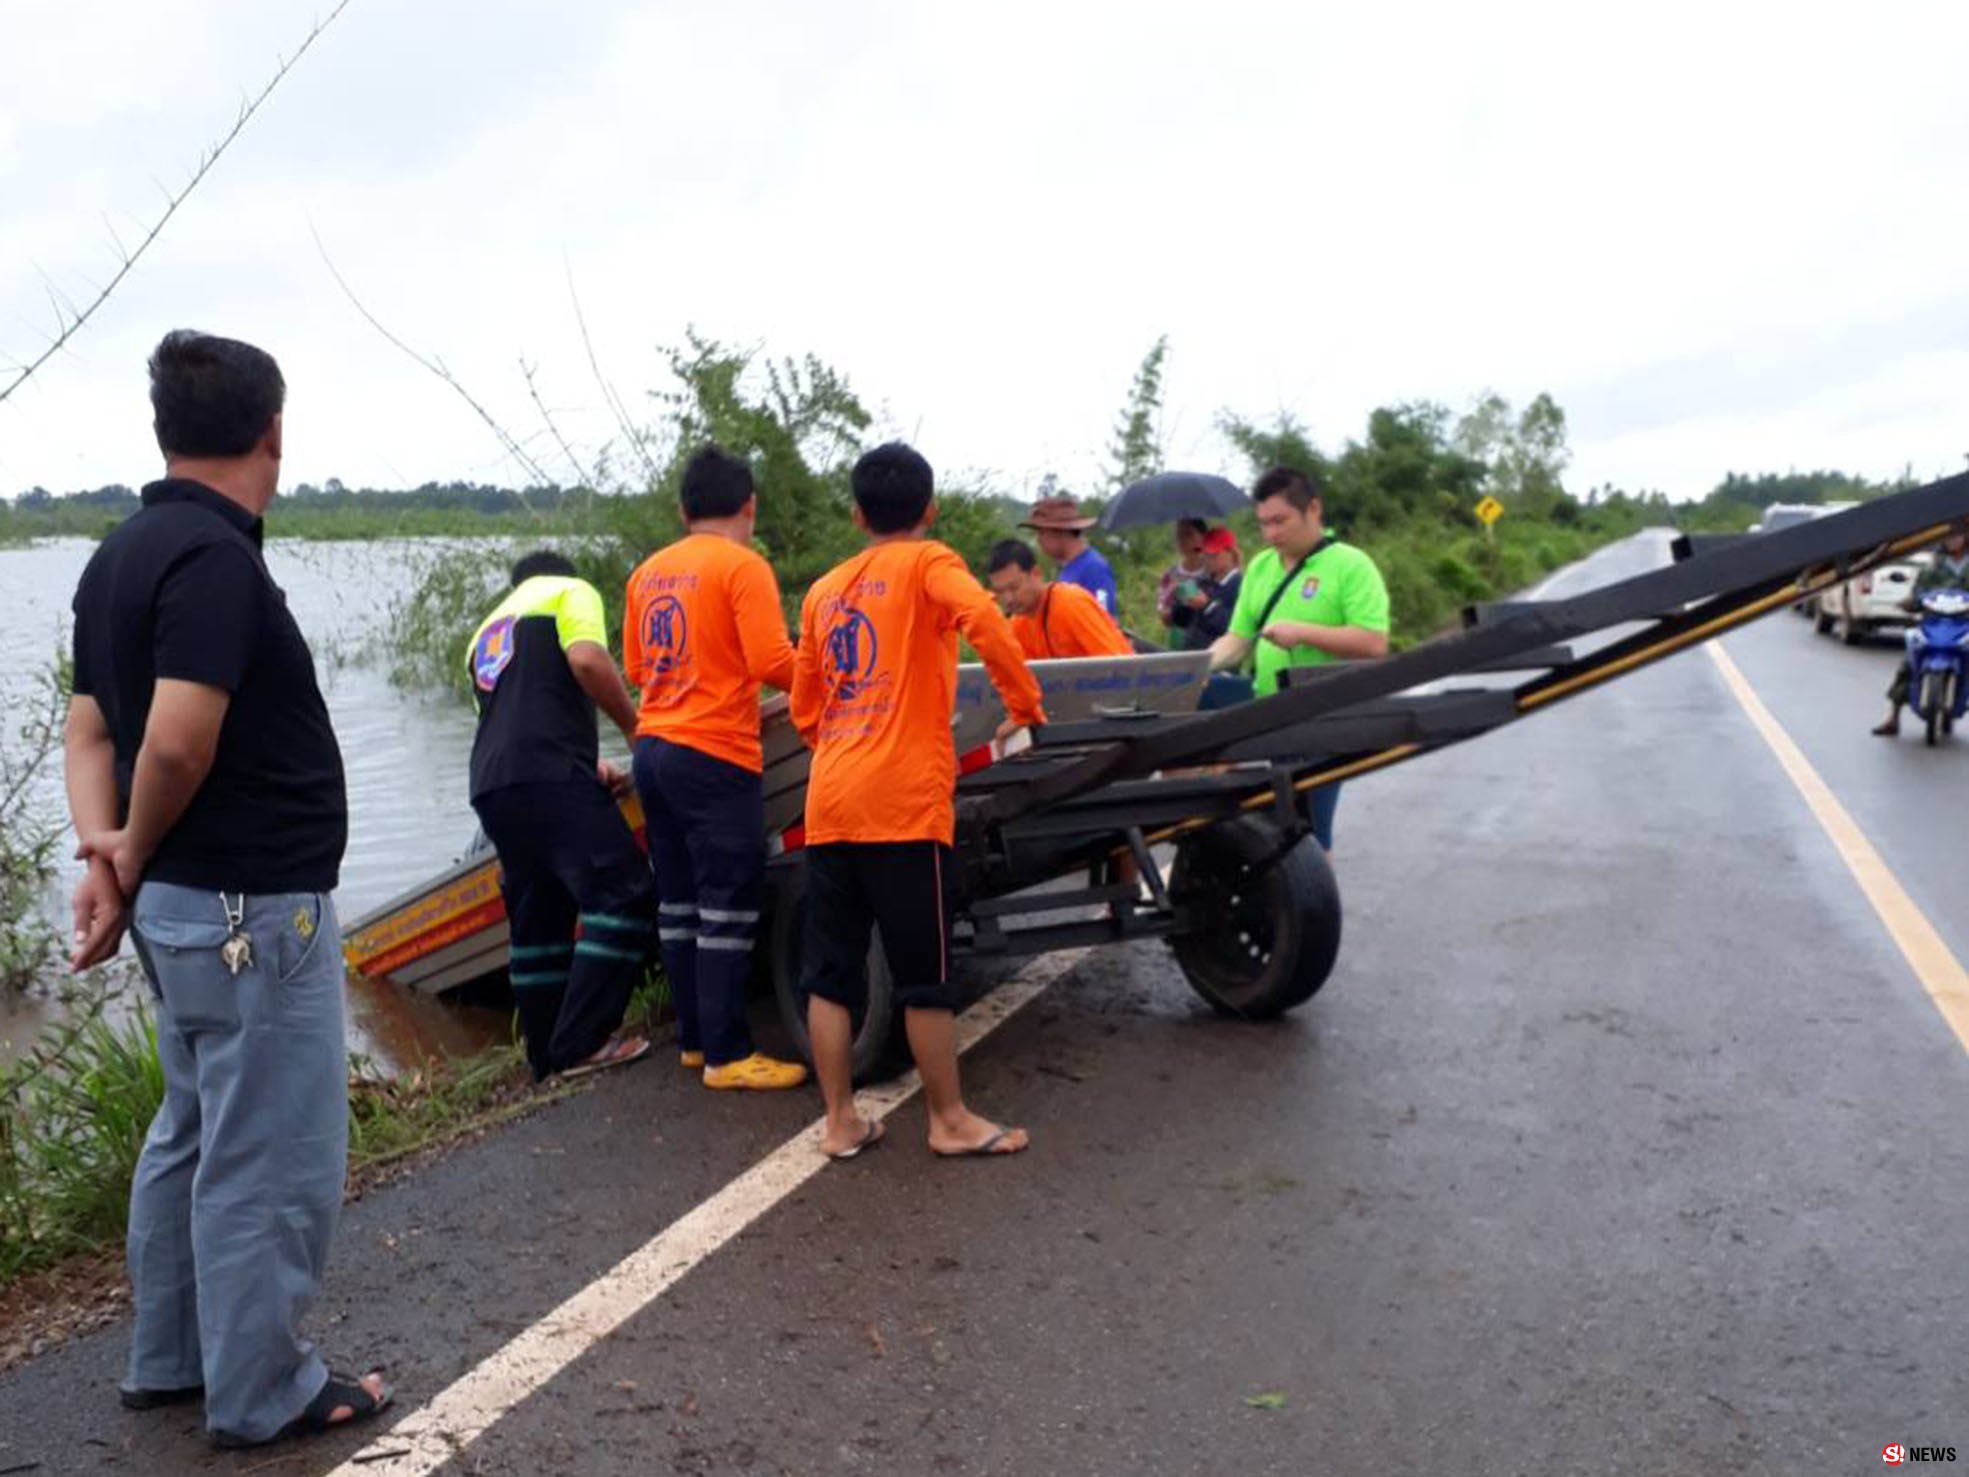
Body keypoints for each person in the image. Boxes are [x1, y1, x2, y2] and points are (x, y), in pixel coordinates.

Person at [63, 329, 390, 1447]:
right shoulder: (211, 559)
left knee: (195, 1128)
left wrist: (106, 851)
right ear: (273, 433)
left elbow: (86, 729)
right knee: (269, 1155)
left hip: (184, 914)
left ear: (164, 433)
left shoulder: (118, 556)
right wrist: (133, 846)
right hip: (249, 909)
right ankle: (263, 1391)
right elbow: (173, 743)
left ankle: (171, 1360)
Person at [792, 442, 1046, 1161]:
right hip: (900, 802)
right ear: (929, 510)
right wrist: (1022, 705)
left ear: (856, 513)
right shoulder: (931, 562)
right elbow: (989, 624)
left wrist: (844, 742)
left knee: (830, 971)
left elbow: (807, 707)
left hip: (830, 799)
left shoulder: (823, 590)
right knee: (924, 970)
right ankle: (948, 1118)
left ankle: (839, 1121)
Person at [624, 445, 808, 1090]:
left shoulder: (647, 574)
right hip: (713, 753)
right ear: (749, 506)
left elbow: (641, 671)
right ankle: (730, 1055)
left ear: (683, 509)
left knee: (678, 902)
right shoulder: (741, 566)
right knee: (729, 901)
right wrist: (829, 680)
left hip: (653, 750)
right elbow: (770, 659)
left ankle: (697, 1043)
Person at [466, 550, 655, 1083]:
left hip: (491, 783)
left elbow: (508, 718)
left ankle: (545, 1055)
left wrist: (586, 764)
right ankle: (584, 1041)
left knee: (538, 914)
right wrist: (635, 728)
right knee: (623, 889)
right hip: (549, 772)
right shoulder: (571, 593)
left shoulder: (486, 631)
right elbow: (589, 661)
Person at [1208, 466, 1390, 850]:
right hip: (1270, 710)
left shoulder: (1351, 565)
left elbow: (1374, 642)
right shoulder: (1260, 566)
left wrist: (1302, 632)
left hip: (1323, 716)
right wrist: (1193, 670)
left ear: (1313, 510)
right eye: (1263, 524)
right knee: (1280, 830)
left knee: (1310, 835)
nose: (1272, 534)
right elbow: (1238, 638)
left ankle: (1317, 909)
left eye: (1280, 521)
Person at [1872, 520, 1969, 737]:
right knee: (1909, 662)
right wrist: (1908, 603)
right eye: (1948, 536)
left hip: (1964, 625)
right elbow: (1917, 594)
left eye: (1958, 535)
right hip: (1933, 623)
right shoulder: (1932, 566)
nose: (1952, 540)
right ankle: (1893, 719)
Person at [985, 538, 1132, 660]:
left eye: (1014, 587)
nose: (1008, 599)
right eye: (1000, 591)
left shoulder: (1071, 603)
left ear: (1036, 573)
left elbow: (1115, 667)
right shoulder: (1017, 626)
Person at [1020, 493, 1120, 619]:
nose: (1038, 540)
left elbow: (1105, 623)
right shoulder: (1069, 568)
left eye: (1042, 533)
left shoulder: (1093, 569)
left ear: (1060, 532)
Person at [1170, 527, 1243, 650]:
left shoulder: (1240, 586)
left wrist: (1206, 605)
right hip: (1192, 655)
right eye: (1206, 555)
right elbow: (1181, 621)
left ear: (1230, 552)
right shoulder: (1203, 583)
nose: (1209, 560)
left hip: (1220, 659)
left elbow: (1235, 626)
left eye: (1214, 555)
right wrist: (1182, 600)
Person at [1156, 518, 1210, 645]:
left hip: (1207, 641)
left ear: (1203, 537)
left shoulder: (1212, 572)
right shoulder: (1170, 575)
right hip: (1179, 642)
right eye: (1179, 535)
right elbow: (1165, 619)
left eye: (1189, 534)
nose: (1183, 540)